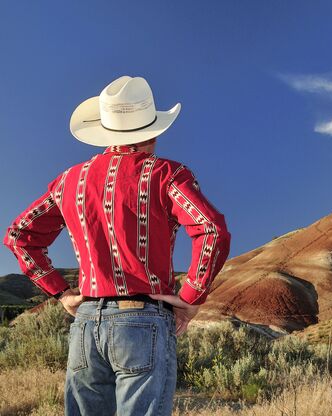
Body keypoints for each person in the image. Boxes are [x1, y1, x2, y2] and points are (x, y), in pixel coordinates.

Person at [3, 75, 231, 415]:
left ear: (107, 132)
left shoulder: (69, 182)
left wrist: (62, 293)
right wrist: (190, 298)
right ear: (152, 130)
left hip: (85, 322)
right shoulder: (166, 174)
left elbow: (19, 235)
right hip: (142, 320)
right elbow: (211, 229)